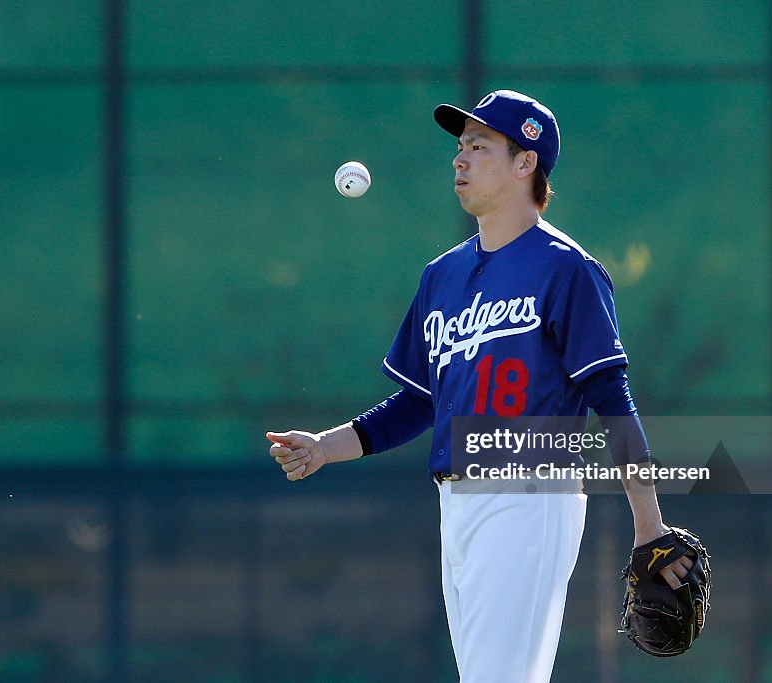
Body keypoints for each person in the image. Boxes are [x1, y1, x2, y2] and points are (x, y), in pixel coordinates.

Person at [266, 90, 691, 682]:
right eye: (460, 146)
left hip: (530, 493)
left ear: (526, 163)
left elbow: (612, 400)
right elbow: (420, 401)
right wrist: (325, 447)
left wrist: (648, 522)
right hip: (457, 501)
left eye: (479, 146)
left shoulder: (567, 269)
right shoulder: (442, 276)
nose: (459, 159)